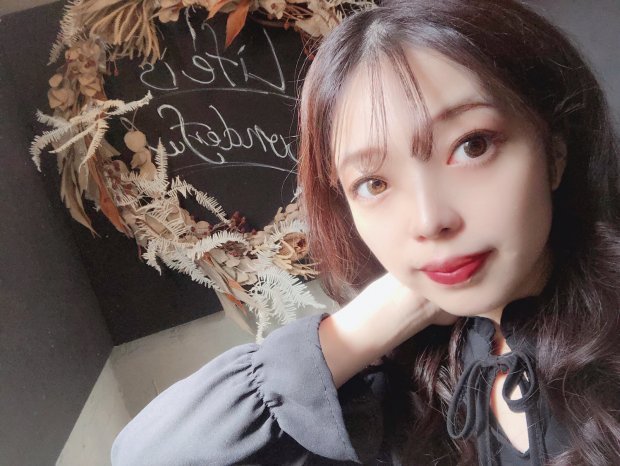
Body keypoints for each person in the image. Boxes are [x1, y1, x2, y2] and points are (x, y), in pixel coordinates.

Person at [111, 0, 620, 464]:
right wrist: (376, 318)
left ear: (554, 152)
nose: (429, 220)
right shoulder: (401, 381)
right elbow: (145, 457)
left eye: (472, 145)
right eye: (374, 183)